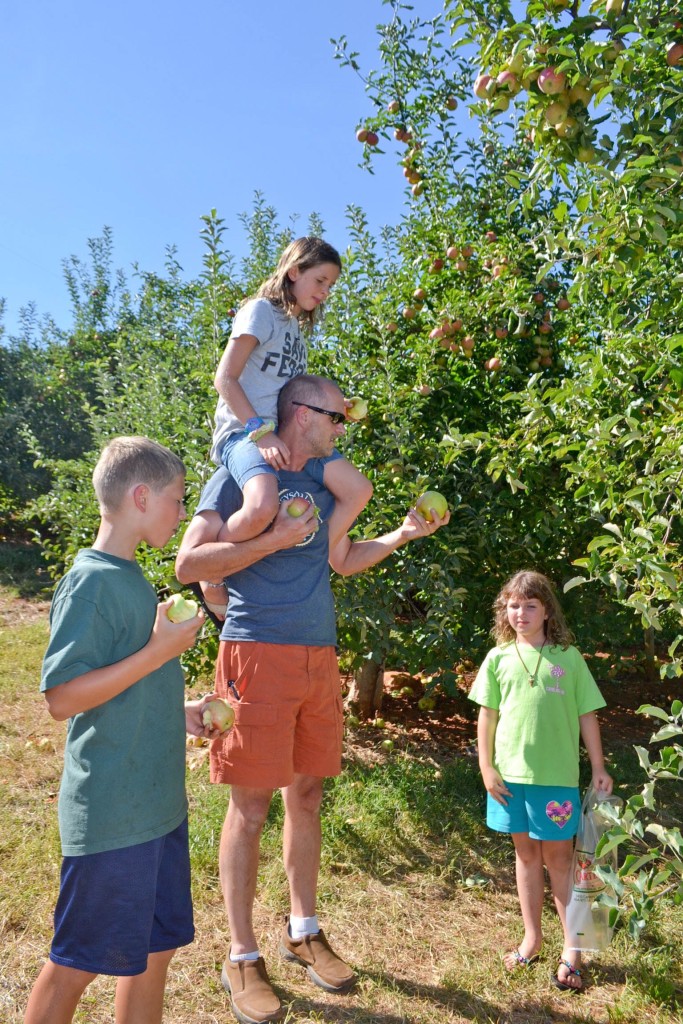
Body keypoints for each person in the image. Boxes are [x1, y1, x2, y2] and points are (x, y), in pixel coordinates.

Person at [175, 373, 449, 1024]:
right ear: (301, 414)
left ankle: (302, 929)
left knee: (307, 794)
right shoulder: (238, 478)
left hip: (316, 658)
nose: (341, 427)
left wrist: (404, 533)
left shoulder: (323, 484)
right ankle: (241, 956)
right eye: (335, 417)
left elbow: (342, 558)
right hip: (255, 654)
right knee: (249, 808)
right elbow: (190, 564)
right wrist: (270, 538)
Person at [24, 436, 218, 1024]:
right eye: (178, 499)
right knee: (78, 963)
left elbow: (121, 684)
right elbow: (63, 697)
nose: (182, 513)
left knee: (155, 953)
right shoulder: (92, 581)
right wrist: (159, 653)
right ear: (141, 496)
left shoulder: (130, 577)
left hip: (158, 808)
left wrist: (179, 709)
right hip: (112, 817)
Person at [201, 236, 365, 620]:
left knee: (357, 488)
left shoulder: (296, 333)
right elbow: (224, 379)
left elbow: (293, 394)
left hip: (282, 434)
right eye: (320, 280)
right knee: (261, 505)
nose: (325, 291)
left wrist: (334, 409)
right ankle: (214, 573)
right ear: (294, 271)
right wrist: (260, 432)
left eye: (331, 286)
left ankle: (322, 555)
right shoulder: (260, 312)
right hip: (244, 432)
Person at [468, 570, 613, 993]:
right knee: (526, 855)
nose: (521, 613)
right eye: (513, 605)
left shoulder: (568, 658)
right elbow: (487, 717)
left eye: (530, 605)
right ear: (504, 611)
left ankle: (574, 950)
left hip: (556, 781)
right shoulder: (498, 658)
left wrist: (599, 766)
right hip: (509, 780)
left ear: (547, 610)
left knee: (560, 861)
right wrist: (486, 767)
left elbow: (588, 713)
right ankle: (532, 939)